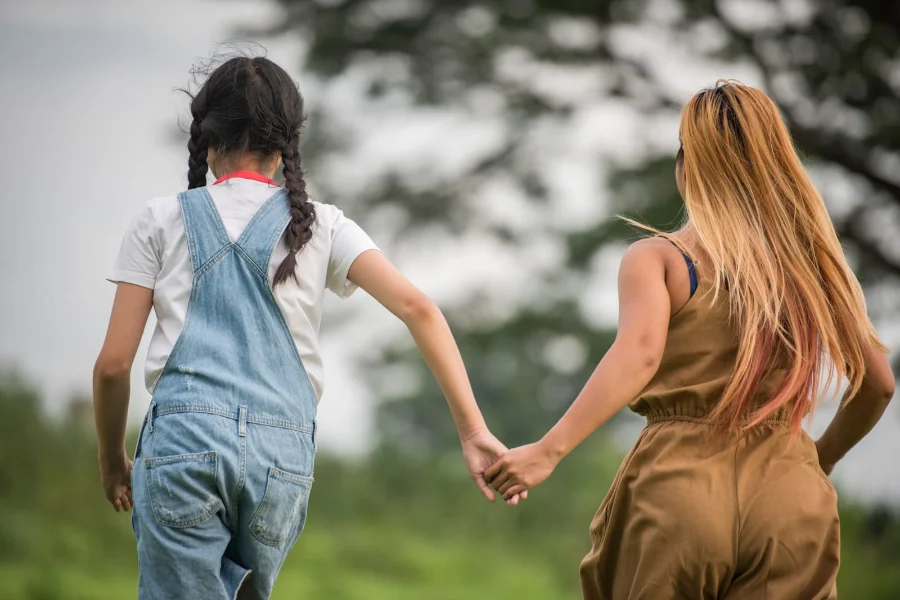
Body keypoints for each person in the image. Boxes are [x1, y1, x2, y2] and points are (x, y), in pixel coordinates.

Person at [92, 55, 522, 600]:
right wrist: (473, 430)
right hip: (281, 459)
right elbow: (419, 309)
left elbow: (113, 365)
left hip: (183, 447)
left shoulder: (158, 220)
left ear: (207, 135)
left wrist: (113, 463)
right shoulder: (322, 225)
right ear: (285, 143)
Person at [485, 80, 895, 599]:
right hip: (791, 495)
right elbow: (878, 383)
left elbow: (640, 355)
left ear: (688, 164)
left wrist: (548, 451)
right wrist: (820, 459)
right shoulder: (813, 266)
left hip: (679, 490)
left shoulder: (658, 259)